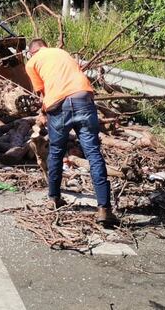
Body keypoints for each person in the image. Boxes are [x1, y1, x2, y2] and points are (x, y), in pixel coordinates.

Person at [25, 38, 119, 226]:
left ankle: (54, 198)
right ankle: (104, 209)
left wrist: (43, 113)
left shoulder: (32, 62)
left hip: (58, 106)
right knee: (93, 153)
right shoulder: (62, 53)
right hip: (83, 98)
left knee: (57, 152)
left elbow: (43, 93)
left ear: (32, 52)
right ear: (45, 46)